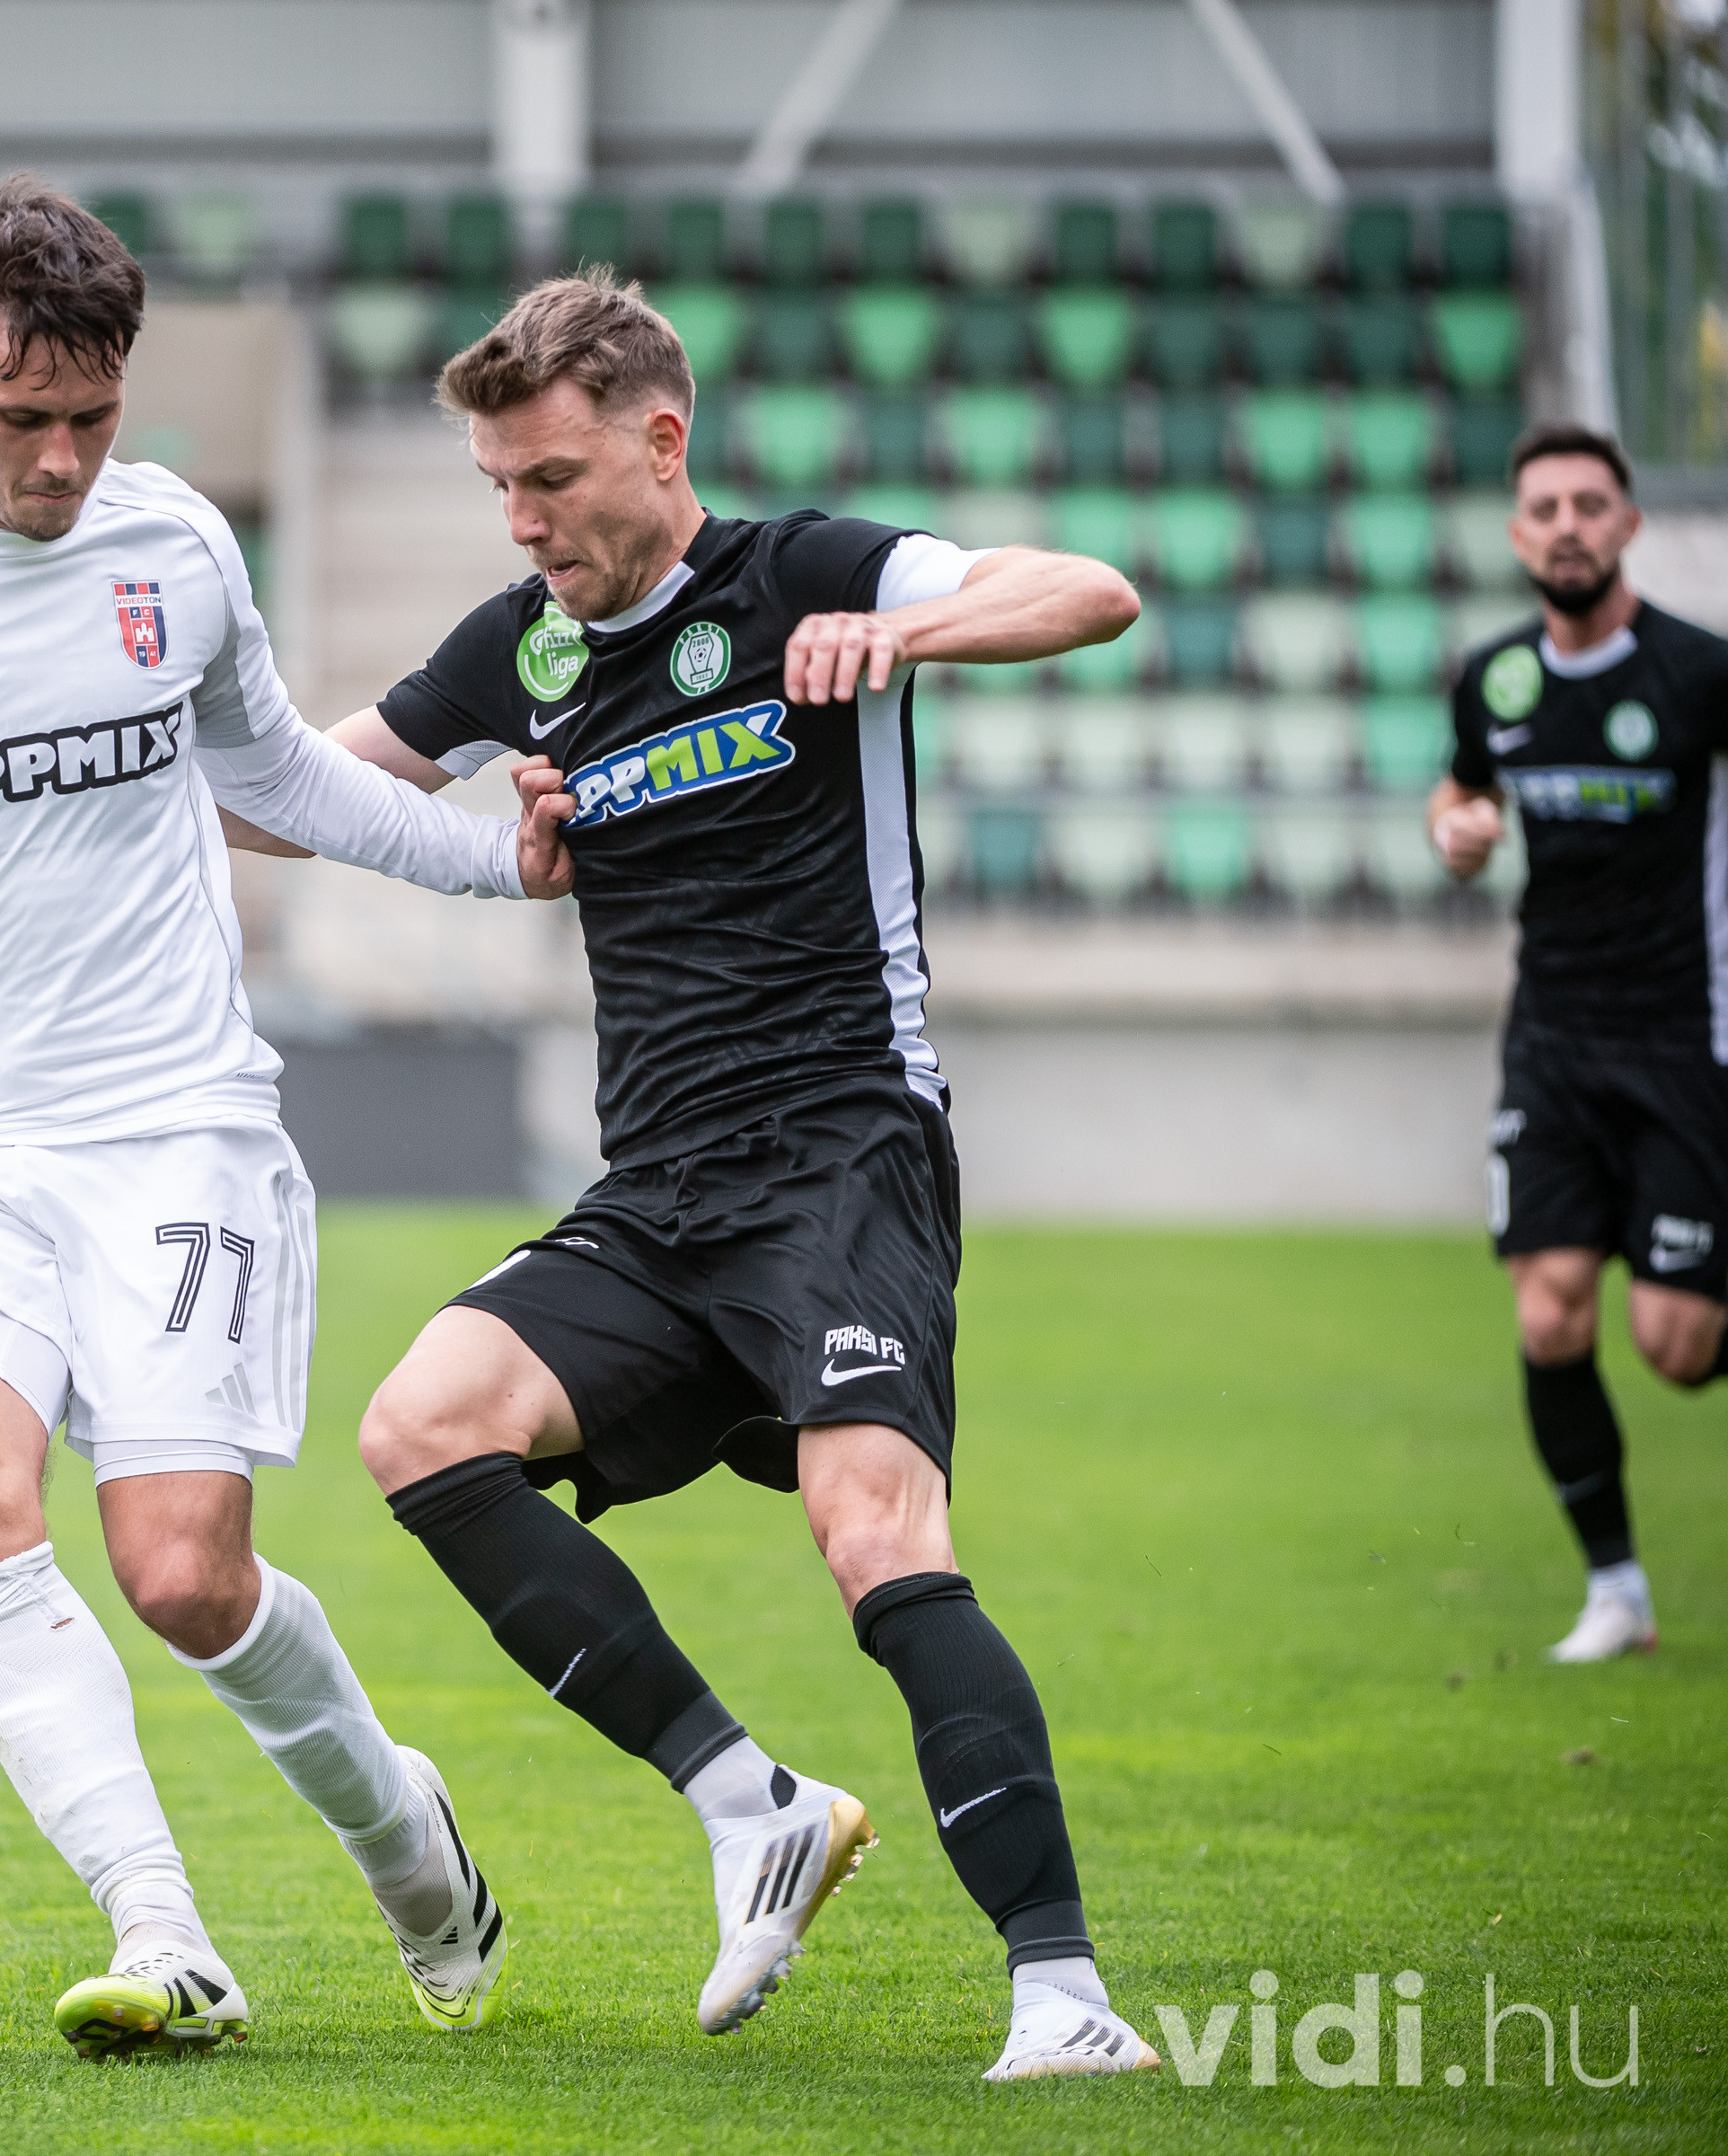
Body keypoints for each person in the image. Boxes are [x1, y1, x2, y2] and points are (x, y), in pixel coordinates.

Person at [0, 177, 576, 2058]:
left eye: (95, 418)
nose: (64, 460)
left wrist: (492, 862)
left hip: (175, 1125)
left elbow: (282, 781)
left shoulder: (173, 545)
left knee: (183, 1575)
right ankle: (162, 1932)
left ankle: (406, 1842)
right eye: (25, 418)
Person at [273, 270, 1158, 2081]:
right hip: (658, 1185)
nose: (525, 525)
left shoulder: (804, 573)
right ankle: (753, 1803)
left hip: (842, 1150)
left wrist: (908, 638)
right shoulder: (519, 651)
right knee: (421, 1425)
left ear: (662, 442)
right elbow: (286, 787)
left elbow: (1091, 590)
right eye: (499, 488)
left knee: (874, 1534)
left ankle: (1064, 1997)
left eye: (553, 479)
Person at [1428, 421, 1726, 1665]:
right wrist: (1455, 828)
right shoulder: (1494, 679)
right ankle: (1618, 1591)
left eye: (1589, 506)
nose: (1567, 527)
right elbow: (1463, 789)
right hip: (1549, 1039)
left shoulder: (1700, 674)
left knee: (1677, 1347)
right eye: (1544, 508)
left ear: (1627, 525)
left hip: (1685, 1042)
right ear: (1517, 534)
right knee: (1550, 1319)